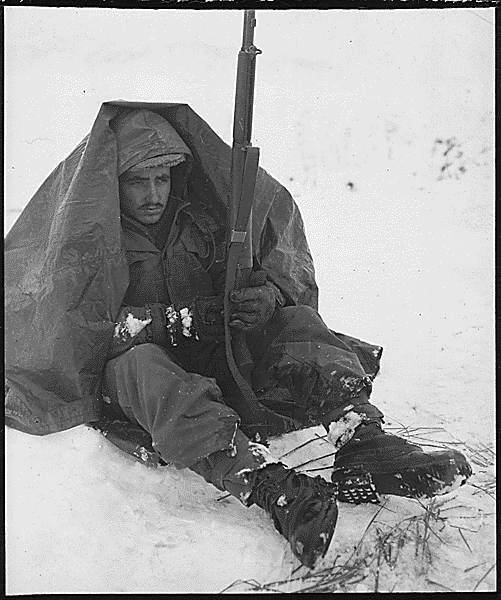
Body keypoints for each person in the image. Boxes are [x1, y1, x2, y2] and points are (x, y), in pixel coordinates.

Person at [5, 104, 472, 569]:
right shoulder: (89, 238)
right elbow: (77, 330)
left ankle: (363, 441)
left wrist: (263, 297)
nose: (153, 194)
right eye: (137, 180)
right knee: (140, 368)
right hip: (142, 381)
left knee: (296, 325)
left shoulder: (201, 222)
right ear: (113, 181)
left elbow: (262, 275)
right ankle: (269, 486)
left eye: (163, 179)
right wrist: (173, 320)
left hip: (215, 358)